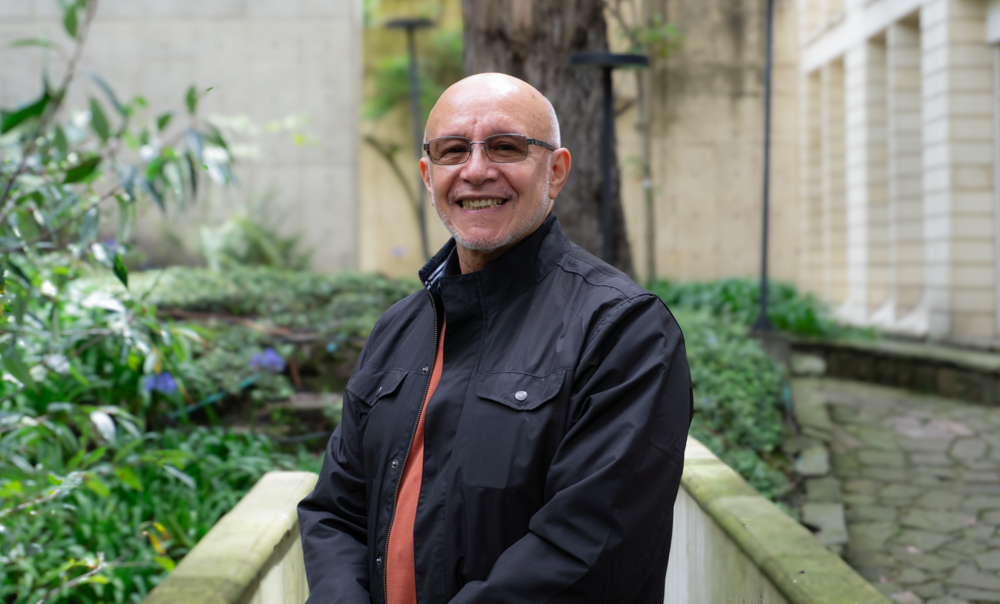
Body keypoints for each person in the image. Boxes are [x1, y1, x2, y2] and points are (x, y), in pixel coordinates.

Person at [298, 73, 692, 604]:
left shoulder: (623, 329)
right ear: (428, 175)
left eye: (506, 147)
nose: (477, 170)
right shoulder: (399, 329)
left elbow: (588, 549)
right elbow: (335, 511)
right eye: (453, 150)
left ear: (556, 171)